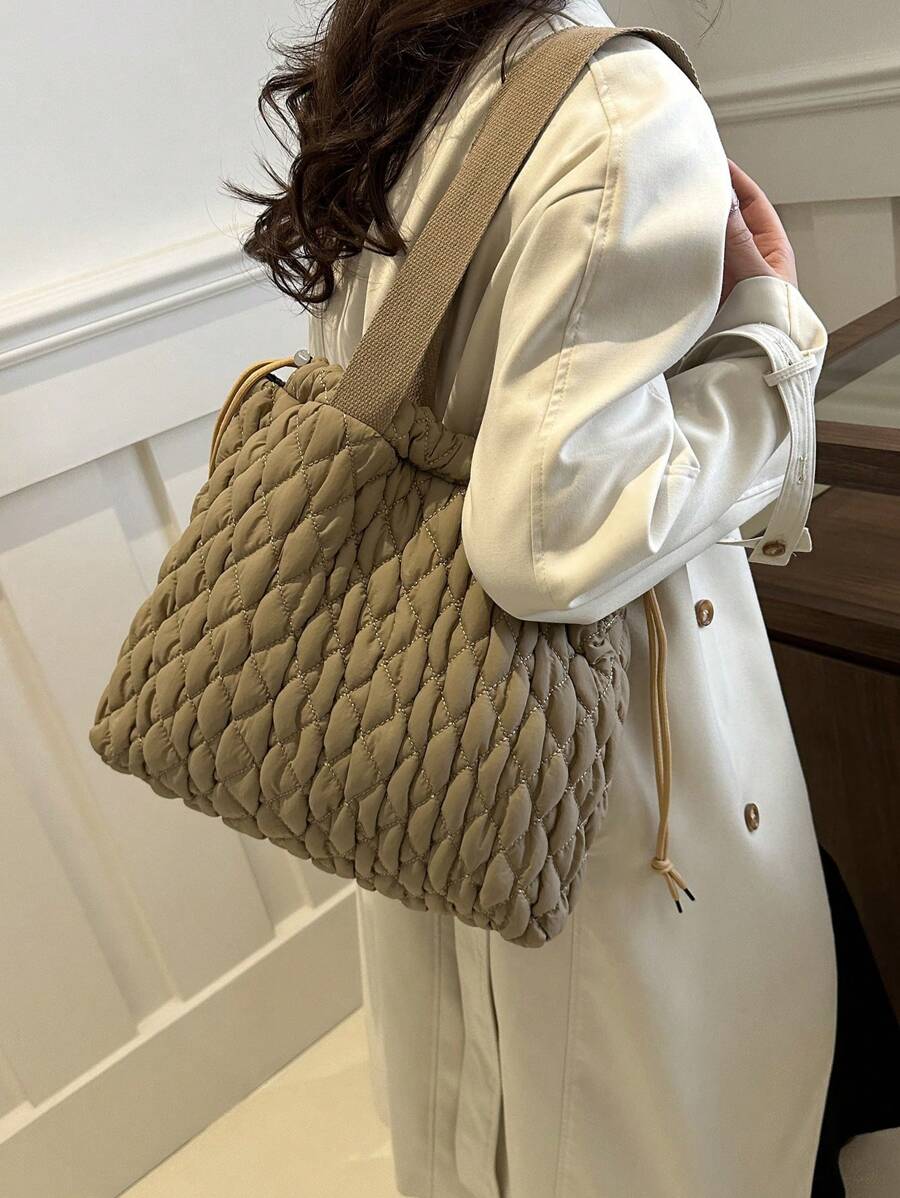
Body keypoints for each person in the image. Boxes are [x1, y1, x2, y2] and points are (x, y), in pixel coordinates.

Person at [231, 0, 899, 1193]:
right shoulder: (614, 103)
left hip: (429, 727)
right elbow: (550, 537)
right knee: (662, 1112)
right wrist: (769, 342)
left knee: (505, 1118)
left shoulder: (409, 65)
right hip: (594, 770)